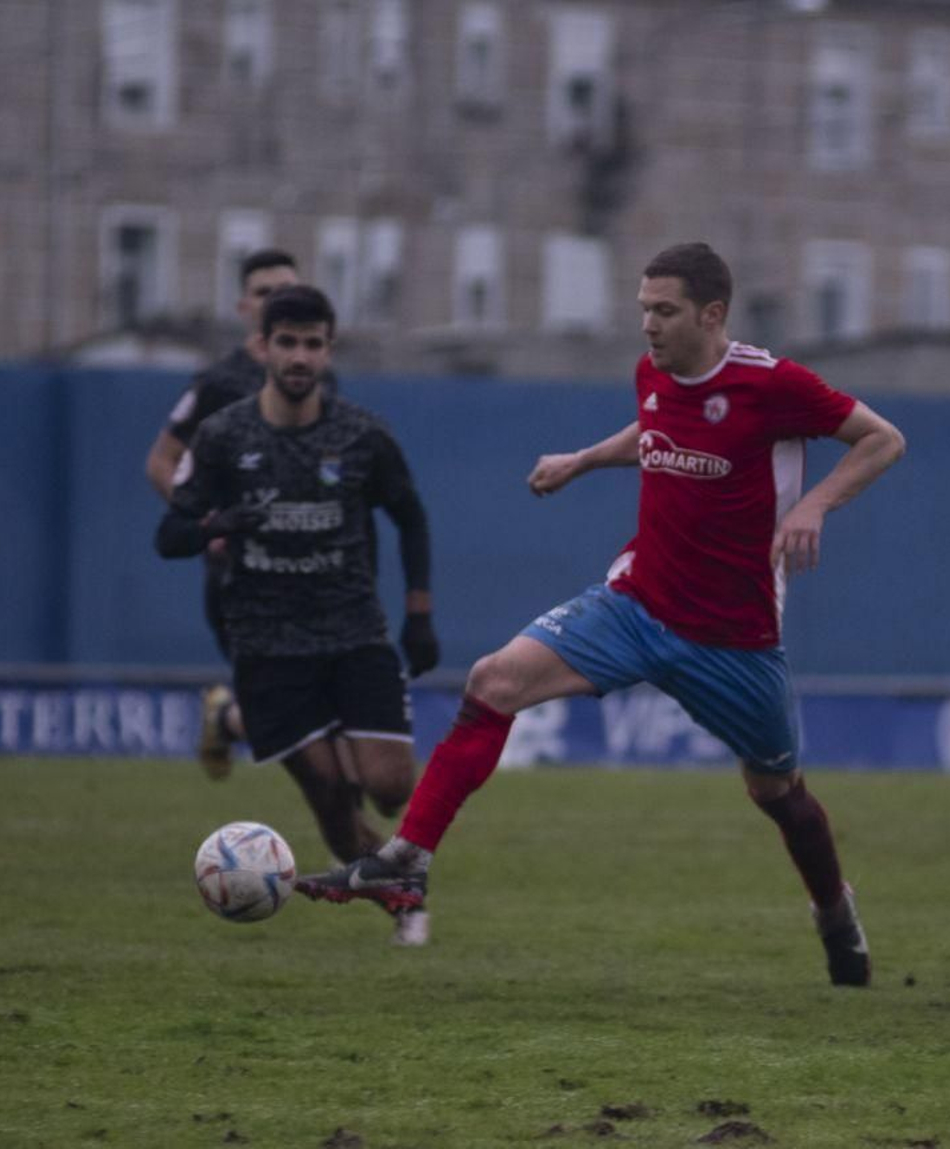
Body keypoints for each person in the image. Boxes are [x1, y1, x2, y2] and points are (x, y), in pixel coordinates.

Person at [296, 242, 905, 986]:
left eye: (665, 310)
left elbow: (882, 438)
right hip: (636, 604)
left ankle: (834, 911)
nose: (647, 325)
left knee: (777, 793)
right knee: (494, 681)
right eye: (643, 308)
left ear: (712, 314)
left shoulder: (772, 384)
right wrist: (583, 459)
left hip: (735, 640)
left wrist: (814, 504)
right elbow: (654, 433)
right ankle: (406, 861)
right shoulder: (653, 371)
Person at [155, 284, 440, 946]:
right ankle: (401, 904)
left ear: (328, 348)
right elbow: (168, 535)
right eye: (288, 342)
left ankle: (229, 717)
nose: (300, 356)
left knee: (391, 788)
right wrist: (217, 522)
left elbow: (411, 515)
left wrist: (419, 612)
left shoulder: (361, 433)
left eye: (313, 343)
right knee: (331, 797)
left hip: (354, 629)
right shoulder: (224, 435)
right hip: (268, 641)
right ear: (263, 346)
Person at [144, 249, 336, 779]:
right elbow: (162, 461)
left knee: (326, 699)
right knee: (289, 708)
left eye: (287, 288)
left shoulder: (321, 378)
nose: (278, 300)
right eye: (265, 292)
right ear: (242, 307)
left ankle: (228, 717)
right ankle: (232, 718)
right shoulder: (220, 382)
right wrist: (208, 526)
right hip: (241, 576)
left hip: (313, 571)